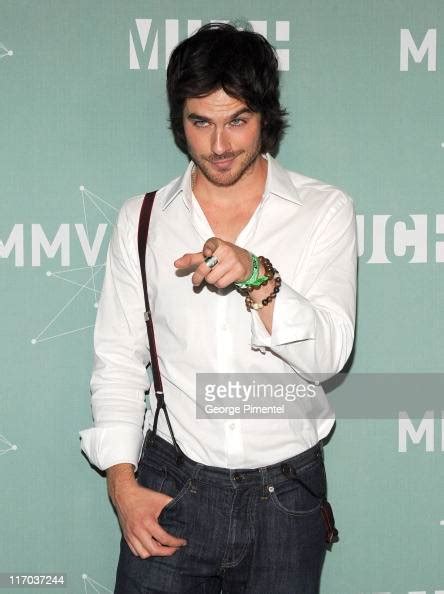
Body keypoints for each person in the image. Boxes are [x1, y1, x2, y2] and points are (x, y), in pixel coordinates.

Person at [79, 21, 357, 594]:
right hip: (171, 484)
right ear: (180, 122)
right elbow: (119, 358)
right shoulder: (144, 220)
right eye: (200, 122)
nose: (219, 145)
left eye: (238, 120)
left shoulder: (324, 210)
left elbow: (330, 355)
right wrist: (122, 485)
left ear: (266, 116)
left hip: (288, 494)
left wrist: (260, 278)